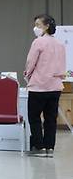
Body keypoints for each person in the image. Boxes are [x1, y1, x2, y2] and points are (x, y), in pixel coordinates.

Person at [25, 14, 66, 158]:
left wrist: (27, 75)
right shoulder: (60, 44)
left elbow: (31, 62)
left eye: (38, 24)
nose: (35, 28)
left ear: (47, 26)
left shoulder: (38, 42)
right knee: (51, 119)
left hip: (39, 86)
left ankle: (39, 147)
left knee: (34, 117)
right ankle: (50, 148)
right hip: (55, 87)